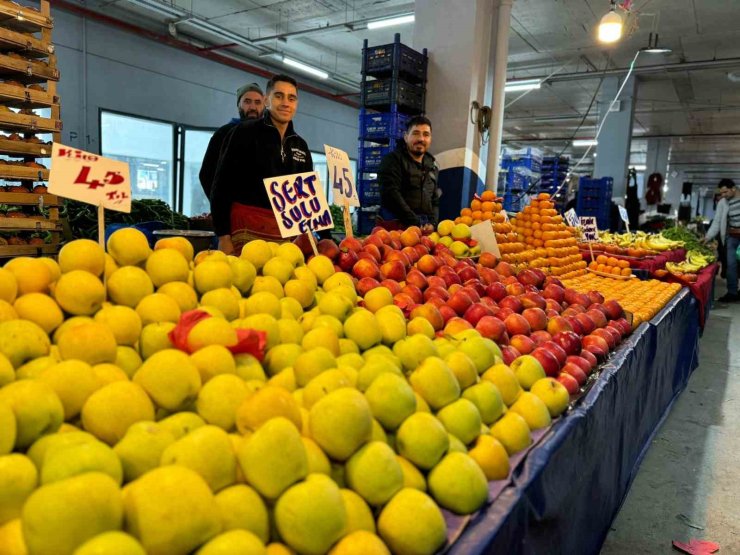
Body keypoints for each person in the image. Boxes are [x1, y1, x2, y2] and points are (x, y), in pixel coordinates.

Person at [210, 74, 312, 255]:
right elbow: (221, 185)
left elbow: (306, 200)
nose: (285, 103)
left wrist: (319, 236)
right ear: (266, 100)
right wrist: (223, 236)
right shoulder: (243, 132)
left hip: (285, 241)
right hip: (245, 234)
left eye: (292, 98)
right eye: (278, 96)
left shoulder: (300, 146)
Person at [199, 82, 264, 199]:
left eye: (258, 102)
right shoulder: (223, 134)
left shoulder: (270, 136)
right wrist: (220, 208)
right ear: (239, 105)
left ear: (264, 106)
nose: (253, 107)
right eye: (247, 101)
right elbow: (206, 174)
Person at [377, 115, 440, 231]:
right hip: (394, 230)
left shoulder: (432, 166)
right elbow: (391, 195)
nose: (421, 138)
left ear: (430, 139)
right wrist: (415, 222)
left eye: (426, 135)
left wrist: (433, 223)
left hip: (423, 230)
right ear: (406, 137)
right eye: (416, 133)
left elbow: (435, 200)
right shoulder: (392, 161)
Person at [707, 178, 740, 302]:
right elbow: (717, 221)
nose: (723, 195)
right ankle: (732, 293)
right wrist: (708, 237)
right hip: (732, 237)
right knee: (731, 265)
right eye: (722, 193)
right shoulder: (723, 203)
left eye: (726, 192)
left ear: (734, 189)